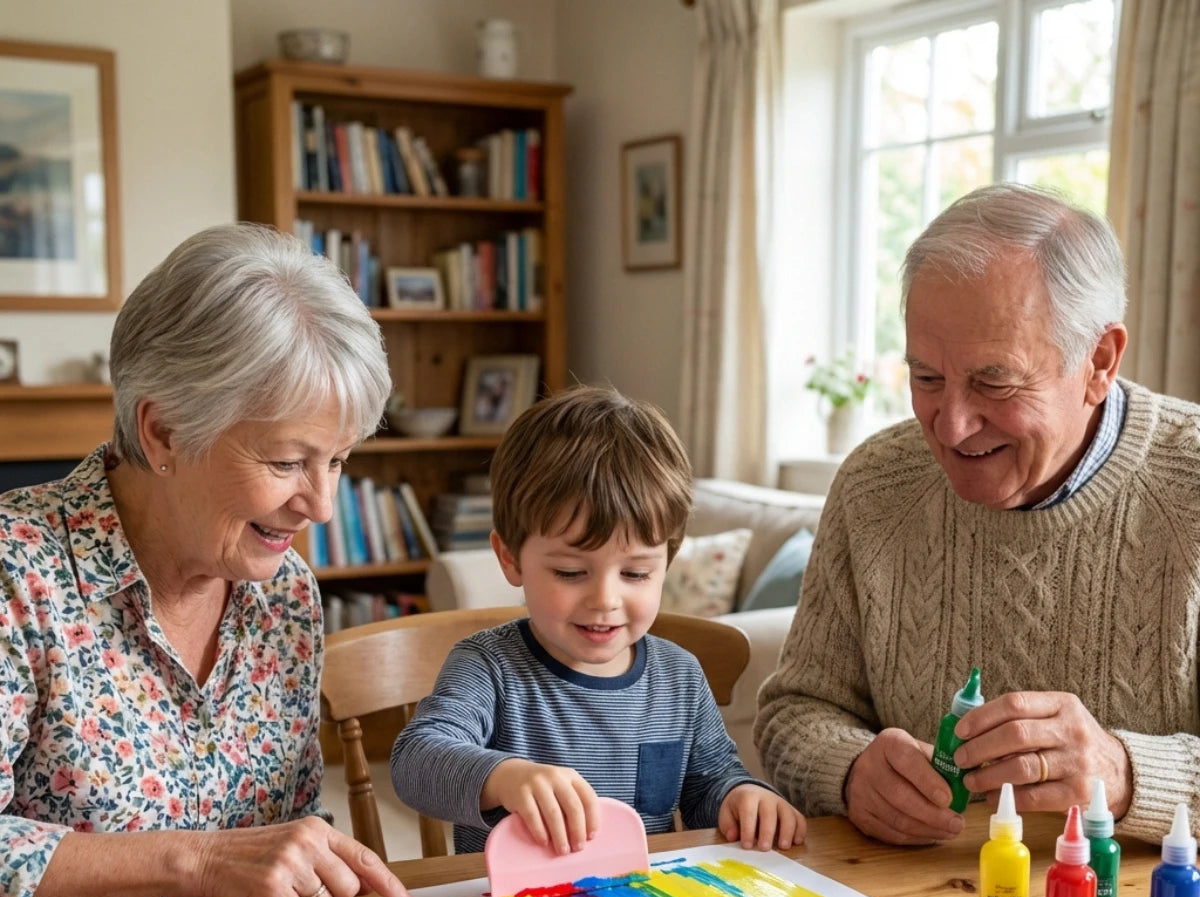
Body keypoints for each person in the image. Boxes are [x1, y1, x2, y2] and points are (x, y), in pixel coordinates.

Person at [756, 182, 1200, 848]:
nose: (953, 425)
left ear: (1099, 362)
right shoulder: (875, 485)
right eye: (926, 377)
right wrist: (846, 770)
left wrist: (1127, 773)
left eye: (994, 380)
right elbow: (792, 711)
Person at [0, 224, 412, 897]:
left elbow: (286, 837)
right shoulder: (18, 575)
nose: (320, 505)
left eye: (339, 460)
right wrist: (200, 863)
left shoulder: (284, 594)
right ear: (163, 433)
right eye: (286, 463)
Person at [390, 385, 804, 855]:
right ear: (509, 558)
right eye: (570, 572)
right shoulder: (489, 667)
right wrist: (502, 776)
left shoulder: (679, 677)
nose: (605, 598)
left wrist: (742, 796)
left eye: (636, 572)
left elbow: (709, 783)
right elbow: (416, 761)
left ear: (667, 563)